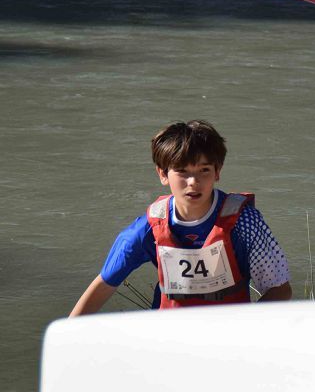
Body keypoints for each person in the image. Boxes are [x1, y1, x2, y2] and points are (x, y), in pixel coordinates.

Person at [69, 120, 292, 315]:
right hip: (169, 341)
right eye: (182, 171)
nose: (193, 181)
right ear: (163, 174)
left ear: (217, 171)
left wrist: (242, 332)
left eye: (204, 170)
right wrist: (67, 338)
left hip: (230, 340)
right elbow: (103, 285)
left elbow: (280, 289)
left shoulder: (246, 223)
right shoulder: (147, 228)